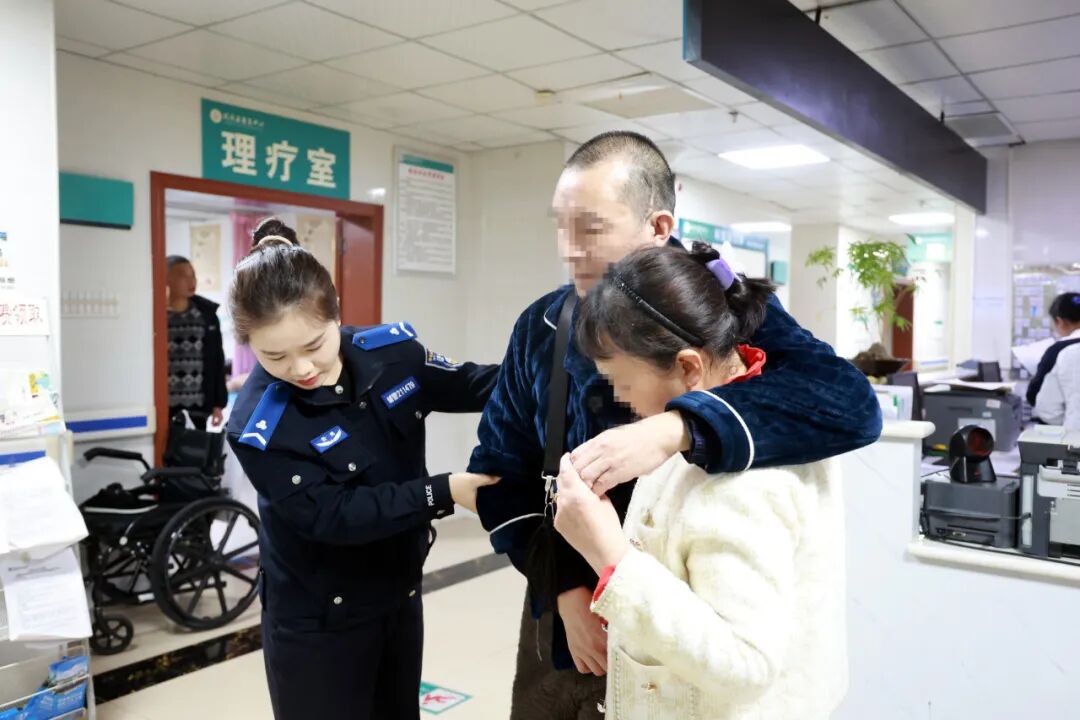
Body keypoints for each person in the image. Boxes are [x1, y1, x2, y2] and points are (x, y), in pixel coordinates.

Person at [466, 131, 880, 719]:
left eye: (591, 228)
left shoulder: (718, 309)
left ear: (658, 227)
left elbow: (847, 402)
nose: (569, 250)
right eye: (561, 226)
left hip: (683, 631)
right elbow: (499, 473)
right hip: (566, 624)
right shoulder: (542, 325)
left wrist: (675, 428)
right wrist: (563, 591)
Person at [553, 243, 845, 718]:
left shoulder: (746, 482)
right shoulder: (730, 418)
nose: (619, 399)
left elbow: (746, 664)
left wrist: (608, 554)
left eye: (623, 382)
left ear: (688, 366)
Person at [225, 219, 499, 720]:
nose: (301, 369)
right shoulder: (258, 424)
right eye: (274, 356)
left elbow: (475, 384)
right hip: (317, 621)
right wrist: (446, 491)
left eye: (313, 346)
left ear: (335, 311)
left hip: (398, 593)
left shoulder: (393, 355)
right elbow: (334, 514)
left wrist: (552, 370)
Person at [166, 255, 227, 427]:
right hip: (164, 405)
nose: (191, 281)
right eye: (183, 276)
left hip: (198, 406)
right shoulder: (156, 315)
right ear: (166, 279)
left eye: (192, 275)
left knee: (196, 444)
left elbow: (217, 359)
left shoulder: (206, 315)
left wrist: (218, 405)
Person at [1031, 292, 1080, 429]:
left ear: (1059, 322)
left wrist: (1070, 418)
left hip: (1074, 436)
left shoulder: (1061, 352)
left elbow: (1047, 409)